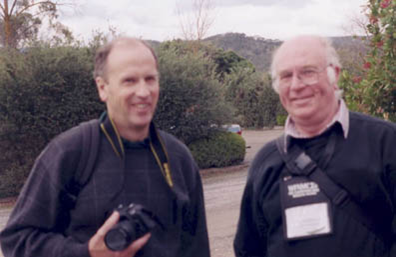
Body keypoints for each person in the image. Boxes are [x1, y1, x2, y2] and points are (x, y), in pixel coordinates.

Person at [0, 37, 210, 257]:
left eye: (150, 79)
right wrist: (87, 253)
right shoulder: (71, 152)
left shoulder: (178, 157)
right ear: (102, 88)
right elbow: (16, 241)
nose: (144, 92)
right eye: (129, 81)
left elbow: (198, 249)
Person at [234, 35, 395, 256]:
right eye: (286, 76)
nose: (296, 86)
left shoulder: (385, 143)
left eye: (308, 72)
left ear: (334, 74)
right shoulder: (266, 162)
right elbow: (249, 250)